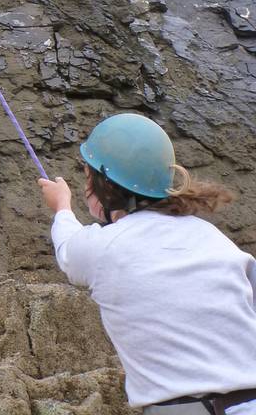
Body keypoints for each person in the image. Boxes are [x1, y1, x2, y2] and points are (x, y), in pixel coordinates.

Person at [38, 113, 256, 415]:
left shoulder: (105, 246)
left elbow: (67, 249)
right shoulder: (212, 237)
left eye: (88, 175)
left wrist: (62, 205)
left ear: (107, 186)